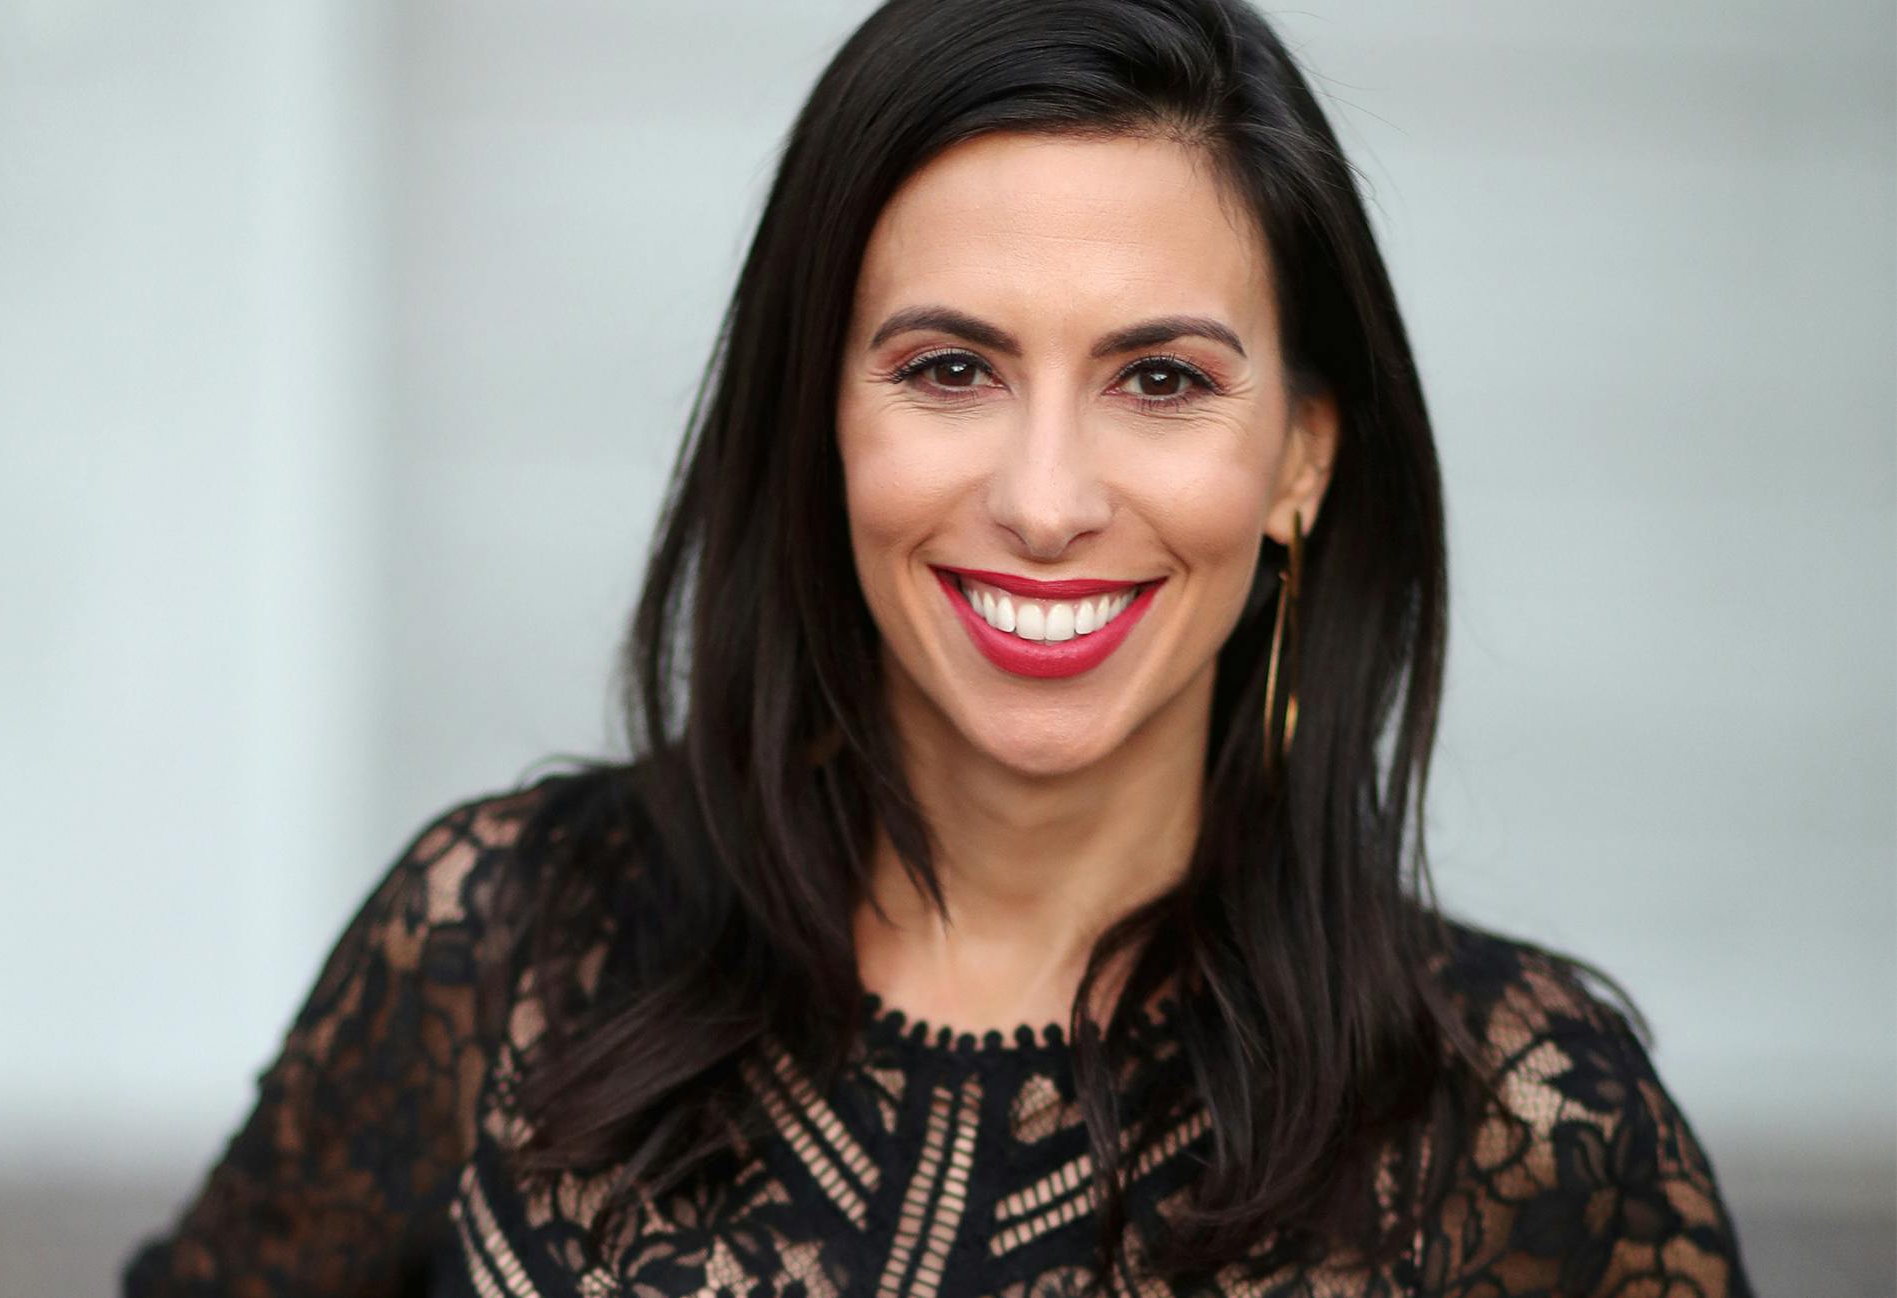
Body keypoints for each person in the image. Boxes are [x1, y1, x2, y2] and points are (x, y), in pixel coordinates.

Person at [121, 0, 1757, 1294]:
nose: (1045, 502)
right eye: (948, 369)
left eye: (1162, 379)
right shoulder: (504, 947)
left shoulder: (1522, 1121)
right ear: (821, 412)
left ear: (1304, 458)